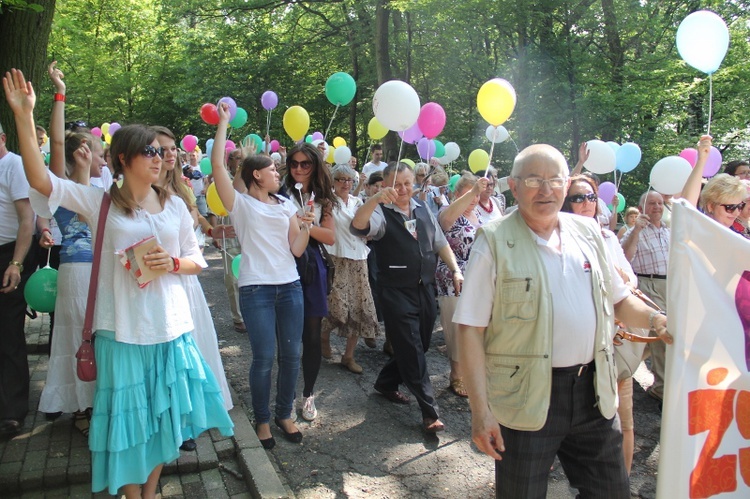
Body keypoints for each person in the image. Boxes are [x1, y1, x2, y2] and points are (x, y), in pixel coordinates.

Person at [4, 68, 234, 497]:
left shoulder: (174, 208)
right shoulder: (98, 202)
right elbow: (41, 181)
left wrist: (174, 262)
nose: (159, 156)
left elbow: (198, 261)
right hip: (123, 334)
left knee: (164, 424)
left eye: (160, 150)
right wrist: (23, 116)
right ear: (123, 160)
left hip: (172, 331)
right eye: (148, 150)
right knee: (131, 430)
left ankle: (149, 493)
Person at [455, 144, 672, 498]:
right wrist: (481, 412)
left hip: (594, 392)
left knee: (611, 492)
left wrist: (655, 319)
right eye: (533, 180)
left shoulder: (588, 234)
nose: (545, 190)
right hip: (525, 397)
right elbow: (470, 328)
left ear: (567, 182)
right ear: (513, 184)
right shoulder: (494, 242)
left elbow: (619, 300)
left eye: (555, 180)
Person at [210, 101, 309, 449]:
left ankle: (284, 414)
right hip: (257, 291)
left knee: (291, 355)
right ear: (256, 175)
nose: (279, 173)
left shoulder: (286, 205)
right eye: (273, 169)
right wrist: (223, 125)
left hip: (290, 288)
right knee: (264, 357)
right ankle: (263, 420)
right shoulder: (241, 204)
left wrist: (307, 227)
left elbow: (296, 249)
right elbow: (217, 166)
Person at [351, 161, 463, 433]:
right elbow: (358, 225)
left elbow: (439, 242)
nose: (402, 189)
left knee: (420, 343)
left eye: (407, 183)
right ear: (386, 184)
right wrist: (374, 199)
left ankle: (387, 382)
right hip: (395, 291)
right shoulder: (379, 211)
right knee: (412, 349)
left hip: (424, 288)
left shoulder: (423, 208)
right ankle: (429, 412)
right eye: (396, 183)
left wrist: (456, 270)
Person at [560, 174, 639, 474]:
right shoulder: (556, 239)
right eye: (578, 198)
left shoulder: (607, 238)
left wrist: (619, 279)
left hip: (614, 338)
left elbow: (629, 280)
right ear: (566, 203)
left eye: (591, 197)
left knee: (624, 417)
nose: (587, 203)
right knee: (577, 423)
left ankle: (624, 482)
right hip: (577, 351)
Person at [281, 142, 336, 422]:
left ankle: (308, 394)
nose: (299, 169)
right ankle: (286, 396)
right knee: (287, 336)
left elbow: (330, 236)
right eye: (294, 164)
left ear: (315, 165)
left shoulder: (323, 197)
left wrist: (308, 226)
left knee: (311, 335)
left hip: (312, 268)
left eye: (306, 164)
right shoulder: (278, 193)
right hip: (282, 264)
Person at [321, 164, 379, 373]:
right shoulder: (327, 202)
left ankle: (348, 355)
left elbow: (368, 225)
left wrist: (370, 232)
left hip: (358, 258)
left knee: (359, 308)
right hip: (336, 258)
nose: (345, 183)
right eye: (341, 179)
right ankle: (323, 337)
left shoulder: (358, 202)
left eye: (349, 180)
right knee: (335, 306)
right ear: (333, 181)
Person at [435, 172, 489, 398]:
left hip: (480, 278)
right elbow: (445, 222)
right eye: (467, 193)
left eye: (476, 193)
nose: (474, 198)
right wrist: (474, 191)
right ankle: (456, 374)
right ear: (456, 194)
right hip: (452, 277)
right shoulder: (447, 212)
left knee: (478, 328)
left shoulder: (480, 214)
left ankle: (475, 372)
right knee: (456, 326)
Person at [0, 119, 36, 438]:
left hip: (10, 253)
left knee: (8, 330)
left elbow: (28, 219)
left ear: (2, 137)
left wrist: (16, 263)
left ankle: (13, 411)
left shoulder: (14, 166)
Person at [620, 189, 670, 403]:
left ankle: (625, 368)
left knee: (653, 338)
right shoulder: (635, 231)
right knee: (662, 334)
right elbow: (625, 258)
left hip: (670, 284)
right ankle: (662, 387)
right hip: (647, 283)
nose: (656, 207)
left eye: (660, 203)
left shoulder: (668, 231)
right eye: (651, 203)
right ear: (642, 209)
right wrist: (635, 231)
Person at [682, 136, 748, 231]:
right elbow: (686, 205)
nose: (736, 213)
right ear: (710, 206)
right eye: (730, 207)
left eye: (739, 206)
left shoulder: (736, 234)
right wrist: (701, 160)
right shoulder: (697, 229)